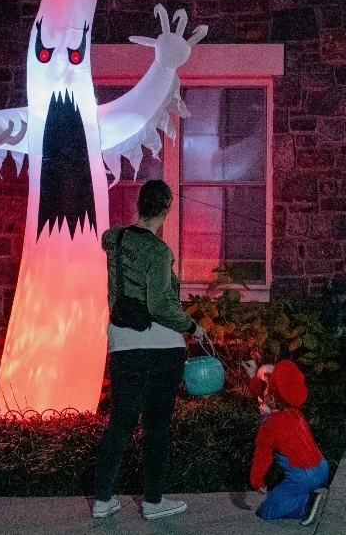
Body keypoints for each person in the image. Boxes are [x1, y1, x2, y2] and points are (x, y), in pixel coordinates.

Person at [92, 179, 204, 520]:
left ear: (139, 204)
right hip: (161, 347)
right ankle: (154, 503)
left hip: (123, 344)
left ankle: (102, 501)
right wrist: (192, 325)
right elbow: (159, 306)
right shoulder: (160, 251)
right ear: (166, 210)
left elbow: (106, 238)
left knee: (120, 424)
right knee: (156, 426)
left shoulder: (115, 238)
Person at [250, 360, 330, 525]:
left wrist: (256, 481)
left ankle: (306, 505)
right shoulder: (295, 412)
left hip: (305, 476)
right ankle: (307, 497)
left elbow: (262, 458)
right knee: (293, 491)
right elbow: (276, 393)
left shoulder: (269, 426)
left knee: (267, 510)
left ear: (269, 395)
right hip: (322, 467)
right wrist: (253, 378)